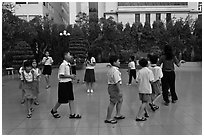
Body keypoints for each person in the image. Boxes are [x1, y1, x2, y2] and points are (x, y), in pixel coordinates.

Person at [50, 51, 81, 119]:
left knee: (71, 98)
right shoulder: (63, 65)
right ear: (65, 56)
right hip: (63, 84)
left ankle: (72, 114)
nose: (71, 56)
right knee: (61, 99)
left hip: (68, 83)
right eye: (69, 55)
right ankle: (54, 110)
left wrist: (71, 77)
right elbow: (61, 75)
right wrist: (70, 76)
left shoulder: (68, 64)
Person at [105, 55, 125, 124]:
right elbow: (117, 82)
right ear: (114, 62)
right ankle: (108, 118)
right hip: (114, 87)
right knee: (112, 102)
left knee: (120, 100)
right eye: (118, 61)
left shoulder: (111, 69)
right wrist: (119, 91)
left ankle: (118, 114)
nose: (119, 62)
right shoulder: (115, 71)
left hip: (111, 86)